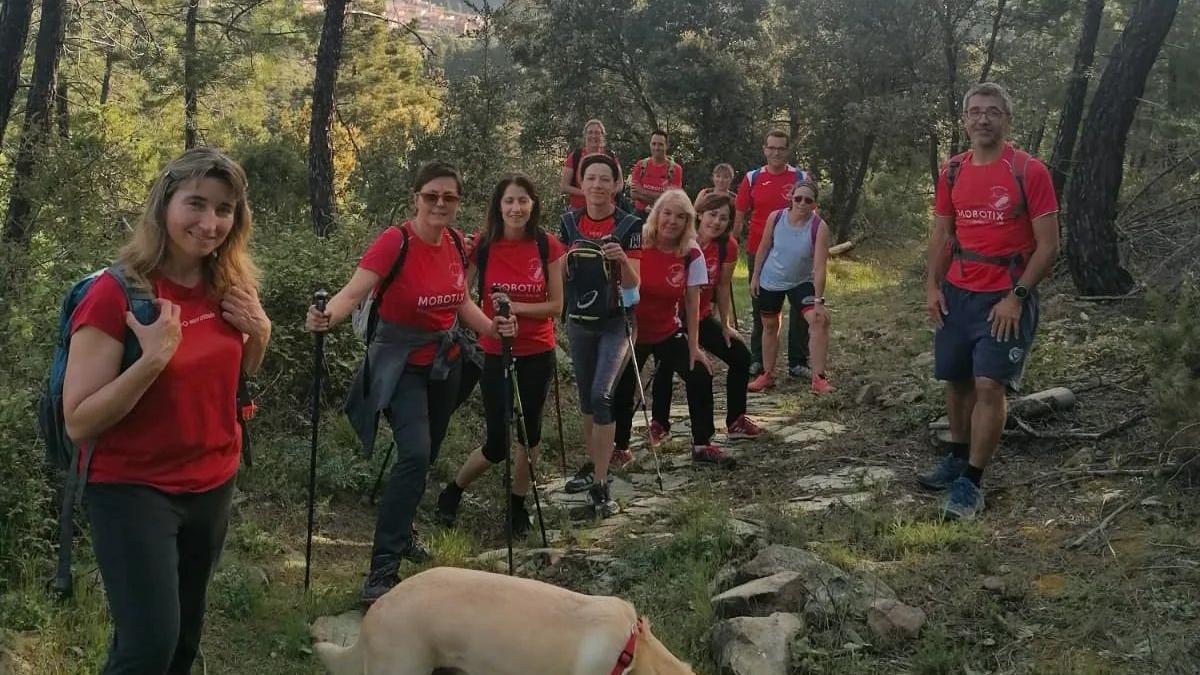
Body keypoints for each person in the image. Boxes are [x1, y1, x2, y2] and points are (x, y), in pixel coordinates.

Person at [62, 148, 271, 673]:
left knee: (182, 643)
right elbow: (79, 419)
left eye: (224, 209)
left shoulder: (230, 283)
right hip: (134, 490)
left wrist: (260, 335)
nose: (210, 223)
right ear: (164, 205)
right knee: (146, 649)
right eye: (195, 204)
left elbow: (234, 376)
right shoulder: (116, 295)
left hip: (213, 483)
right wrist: (152, 359)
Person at [305, 162, 517, 606]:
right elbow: (353, 291)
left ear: (458, 202)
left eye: (449, 197)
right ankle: (382, 569)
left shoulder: (458, 243)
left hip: (445, 363)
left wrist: (495, 329)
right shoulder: (395, 241)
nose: (440, 204)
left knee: (426, 454)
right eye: (431, 196)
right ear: (416, 198)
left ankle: (402, 533)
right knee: (416, 453)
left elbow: (460, 303)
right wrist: (328, 317)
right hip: (398, 365)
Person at [919, 82, 1059, 521]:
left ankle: (972, 482)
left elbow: (1049, 246)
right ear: (964, 121)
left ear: (1006, 119)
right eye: (976, 111)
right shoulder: (953, 171)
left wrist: (1017, 297)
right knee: (957, 379)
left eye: (992, 111)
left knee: (989, 385)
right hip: (958, 292)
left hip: (1005, 296)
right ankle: (957, 457)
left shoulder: (1029, 171)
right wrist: (932, 285)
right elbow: (943, 234)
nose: (983, 119)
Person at [434, 175, 566, 538]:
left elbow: (556, 306)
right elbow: (458, 292)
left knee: (530, 434)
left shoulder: (547, 246)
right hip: (493, 352)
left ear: (533, 204)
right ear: (499, 206)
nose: (516, 208)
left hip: (537, 351)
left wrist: (512, 306)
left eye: (523, 200)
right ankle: (453, 491)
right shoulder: (484, 247)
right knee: (497, 441)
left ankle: (517, 506)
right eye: (509, 201)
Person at [612, 188, 736, 470]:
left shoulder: (691, 252)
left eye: (680, 216)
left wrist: (694, 347)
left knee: (700, 373)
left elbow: (693, 302)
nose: (672, 221)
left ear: (688, 221)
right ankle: (620, 446)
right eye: (667, 213)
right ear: (657, 214)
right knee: (623, 386)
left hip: (667, 330)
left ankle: (702, 444)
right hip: (632, 330)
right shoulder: (638, 241)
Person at [558, 154, 642, 518]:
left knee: (601, 395)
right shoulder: (567, 223)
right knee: (587, 402)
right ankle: (594, 466)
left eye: (603, 179)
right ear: (582, 182)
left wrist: (622, 260)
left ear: (615, 184)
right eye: (589, 178)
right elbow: (557, 277)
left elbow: (635, 287)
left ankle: (601, 482)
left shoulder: (630, 225)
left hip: (616, 321)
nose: (596, 185)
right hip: (579, 320)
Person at [649, 192, 763, 443]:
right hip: (672, 319)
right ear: (699, 214)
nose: (717, 222)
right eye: (713, 215)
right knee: (665, 365)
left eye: (724, 218)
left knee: (741, 356)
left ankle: (736, 419)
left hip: (700, 316)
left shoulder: (727, 246)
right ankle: (659, 422)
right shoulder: (682, 240)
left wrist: (725, 325)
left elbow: (723, 287)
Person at [733, 130, 811, 378]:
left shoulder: (800, 177)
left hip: (796, 254)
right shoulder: (752, 178)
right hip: (760, 253)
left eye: (781, 148)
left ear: (787, 150)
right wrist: (731, 244)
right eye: (772, 148)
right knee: (762, 310)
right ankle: (759, 360)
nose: (776, 152)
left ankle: (798, 362)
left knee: (801, 309)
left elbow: (812, 216)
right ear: (764, 149)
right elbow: (740, 214)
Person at [748, 180, 833, 394]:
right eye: (798, 198)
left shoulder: (819, 227)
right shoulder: (776, 218)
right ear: (791, 198)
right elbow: (764, 246)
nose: (802, 203)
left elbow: (820, 267)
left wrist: (818, 301)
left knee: (820, 320)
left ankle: (818, 378)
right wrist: (755, 276)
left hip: (801, 282)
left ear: (814, 204)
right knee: (769, 326)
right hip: (771, 280)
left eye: (808, 200)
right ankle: (767, 374)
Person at [560, 118, 622, 211]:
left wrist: (607, 192)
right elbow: (564, 187)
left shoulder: (610, 156)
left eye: (597, 133)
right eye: (590, 132)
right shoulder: (576, 156)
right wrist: (589, 193)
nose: (593, 136)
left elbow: (620, 183)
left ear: (602, 136)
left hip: (606, 209)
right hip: (579, 210)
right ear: (585, 135)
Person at [629, 128, 683, 218]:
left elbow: (671, 199)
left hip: (663, 216)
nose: (656, 148)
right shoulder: (641, 165)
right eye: (654, 144)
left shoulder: (675, 169)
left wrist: (642, 191)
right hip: (640, 215)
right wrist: (659, 196)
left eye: (660, 144)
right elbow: (633, 194)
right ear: (650, 144)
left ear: (667, 146)